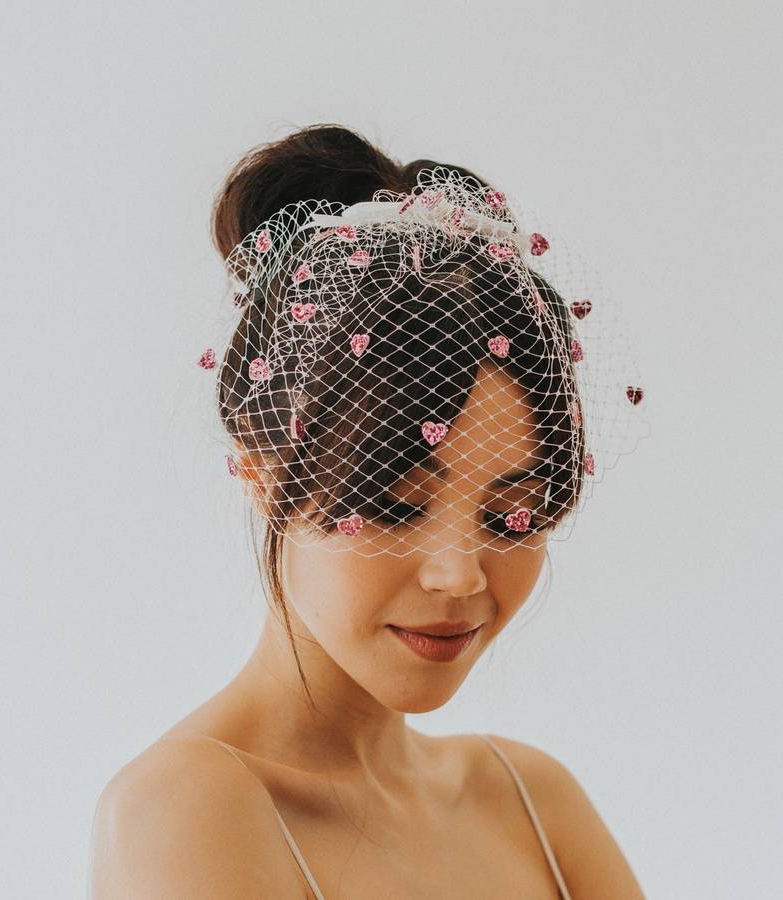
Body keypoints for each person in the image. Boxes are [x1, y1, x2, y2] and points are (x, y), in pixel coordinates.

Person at [88, 123, 647, 899]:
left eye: (513, 513)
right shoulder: (187, 809)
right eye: (393, 505)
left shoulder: (532, 800)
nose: (458, 575)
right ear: (259, 473)